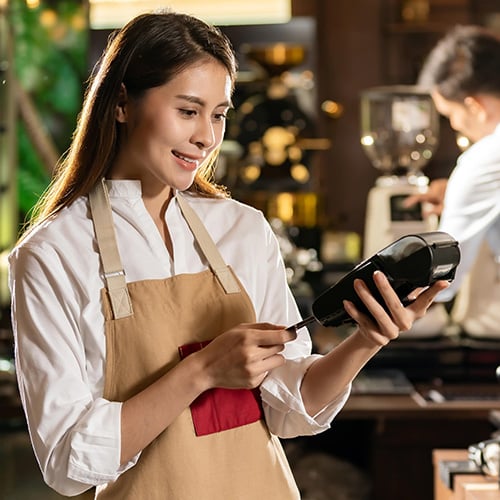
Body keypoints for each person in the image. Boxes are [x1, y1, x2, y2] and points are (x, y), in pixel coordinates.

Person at [8, 10, 448, 499]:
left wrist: (367, 340)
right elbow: (68, 461)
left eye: (218, 114)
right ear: (122, 104)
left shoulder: (242, 229)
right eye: (188, 110)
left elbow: (287, 409)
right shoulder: (51, 254)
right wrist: (202, 371)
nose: (207, 137)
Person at [405, 24, 500, 337]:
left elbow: (442, 280)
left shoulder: (484, 157)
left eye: (450, 115)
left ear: (474, 106)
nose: (456, 127)